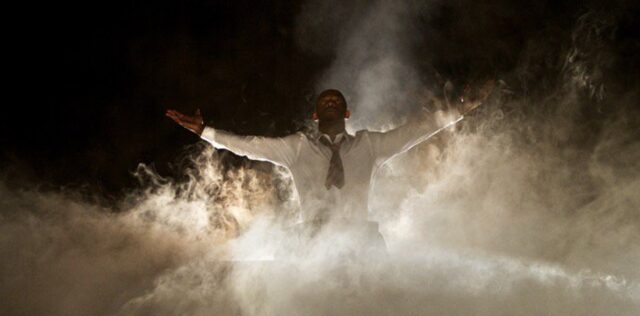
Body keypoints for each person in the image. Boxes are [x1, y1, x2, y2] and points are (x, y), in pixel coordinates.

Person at [166, 84, 492, 251]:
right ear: (315, 115)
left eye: (337, 101)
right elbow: (249, 145)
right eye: (325, 101)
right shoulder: (296, 148)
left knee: (379, 315)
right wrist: (205, 131)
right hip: (311, 238)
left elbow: (415, 131)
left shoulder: (370, 146)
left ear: (348, 114)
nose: (331, 102)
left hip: (362, 239)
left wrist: (459, 111)